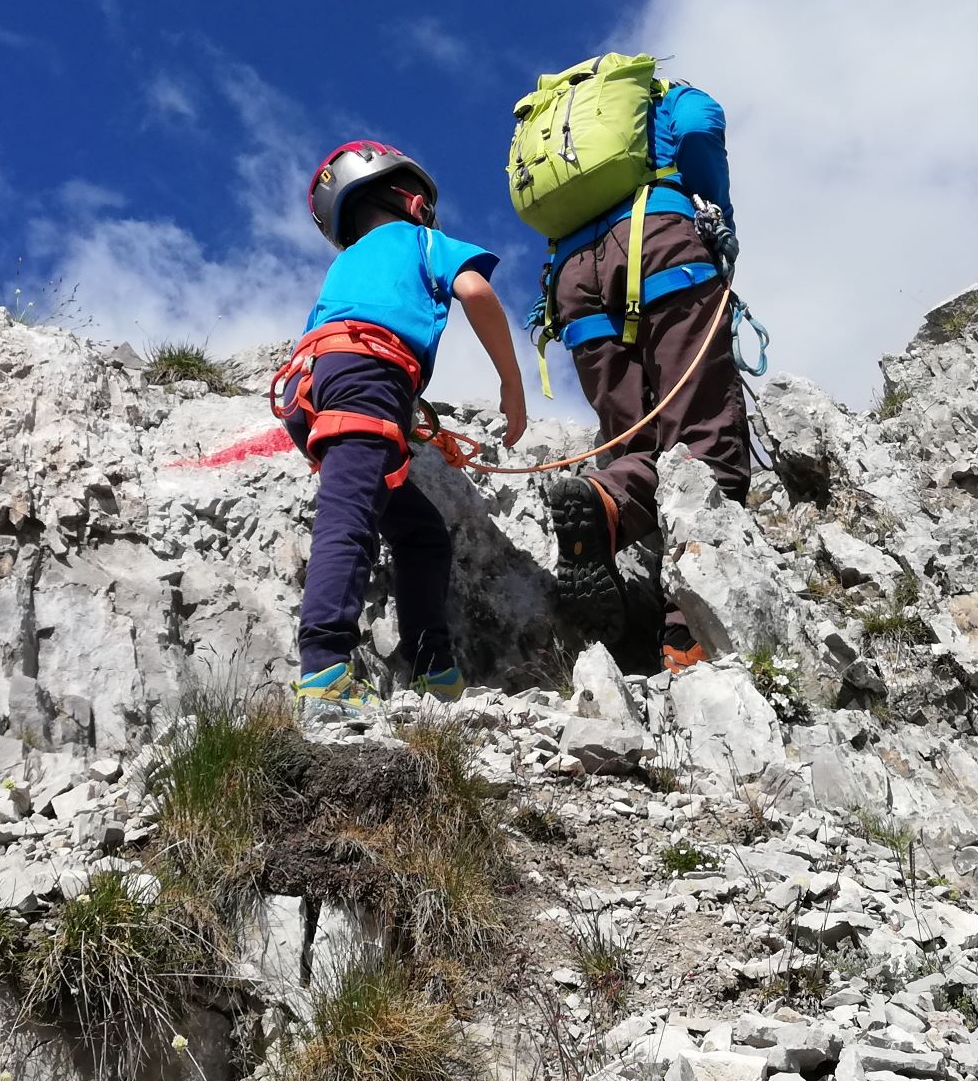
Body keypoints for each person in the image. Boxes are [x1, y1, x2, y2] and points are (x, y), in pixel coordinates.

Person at [274, 140, 527, 720]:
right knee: (351, 516)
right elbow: (476, 291)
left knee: (420, 533)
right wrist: (511, 386)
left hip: (311, 386)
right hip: (369, 376)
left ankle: (431, 664)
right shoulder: (421, 240)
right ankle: (325, 669)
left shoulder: (347, 263)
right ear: (413, 202)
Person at [519, 61, 752, 671]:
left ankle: (604, 503)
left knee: (633, 438)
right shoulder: (670, 95)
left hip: (573, 281)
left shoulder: (553, 130)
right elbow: (702, 133)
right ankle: (689, 636)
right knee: (702, 433)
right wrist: (717, 215)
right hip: (660, 242)